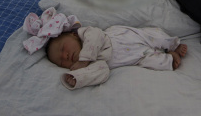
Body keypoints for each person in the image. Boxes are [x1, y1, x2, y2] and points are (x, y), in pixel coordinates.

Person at [24, 8, 188, 90]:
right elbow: (102, 72)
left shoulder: (85, 34)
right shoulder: (93, 65)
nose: (66, 56)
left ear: (72, 35)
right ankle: (170, 57)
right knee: (154, 62)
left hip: (130, 36)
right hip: (137, 57)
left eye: (63, 49)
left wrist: (84, 60)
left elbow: (97, 37)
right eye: (61, 61)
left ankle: (173, 45)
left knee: (156, 37)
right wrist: (78, 77)